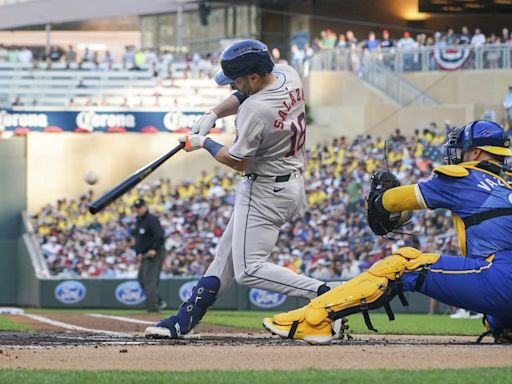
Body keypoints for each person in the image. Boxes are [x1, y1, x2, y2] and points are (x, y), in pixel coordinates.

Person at [145, 39, 333, 339]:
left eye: (237, 79)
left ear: (254, 77)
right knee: (225, 258)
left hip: (264, 190)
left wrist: (203, 142)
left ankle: (327, 294)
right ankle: (184, 319)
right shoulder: (288, 74)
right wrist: (213, 114)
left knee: (248, 270)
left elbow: (238, 161)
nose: (232, 85)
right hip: (287, 183)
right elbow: (243, 95)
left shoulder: (256, 110)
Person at [264, 120, 512, 344]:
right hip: (503, 283)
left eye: (463, 150)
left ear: (477, 152)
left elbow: (392, 202)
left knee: (403, 265)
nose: (458, 156)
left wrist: (379, 198)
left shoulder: (466, 177)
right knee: (496, 318)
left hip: (501, 278)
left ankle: (313, 320)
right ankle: (504, 325)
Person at [133, 198, 166, 313]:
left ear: (145, 207)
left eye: (140, 207)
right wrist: (137, 252)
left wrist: (154, 248)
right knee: (141, 278)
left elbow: (160, 235)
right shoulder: (139, 220)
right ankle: (158, 300)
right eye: (136, 208)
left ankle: (153, 307)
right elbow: (139, 239)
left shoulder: (151, 219)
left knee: (149, 280)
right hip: (144, 253)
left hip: (154, 253)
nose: (138, 209)